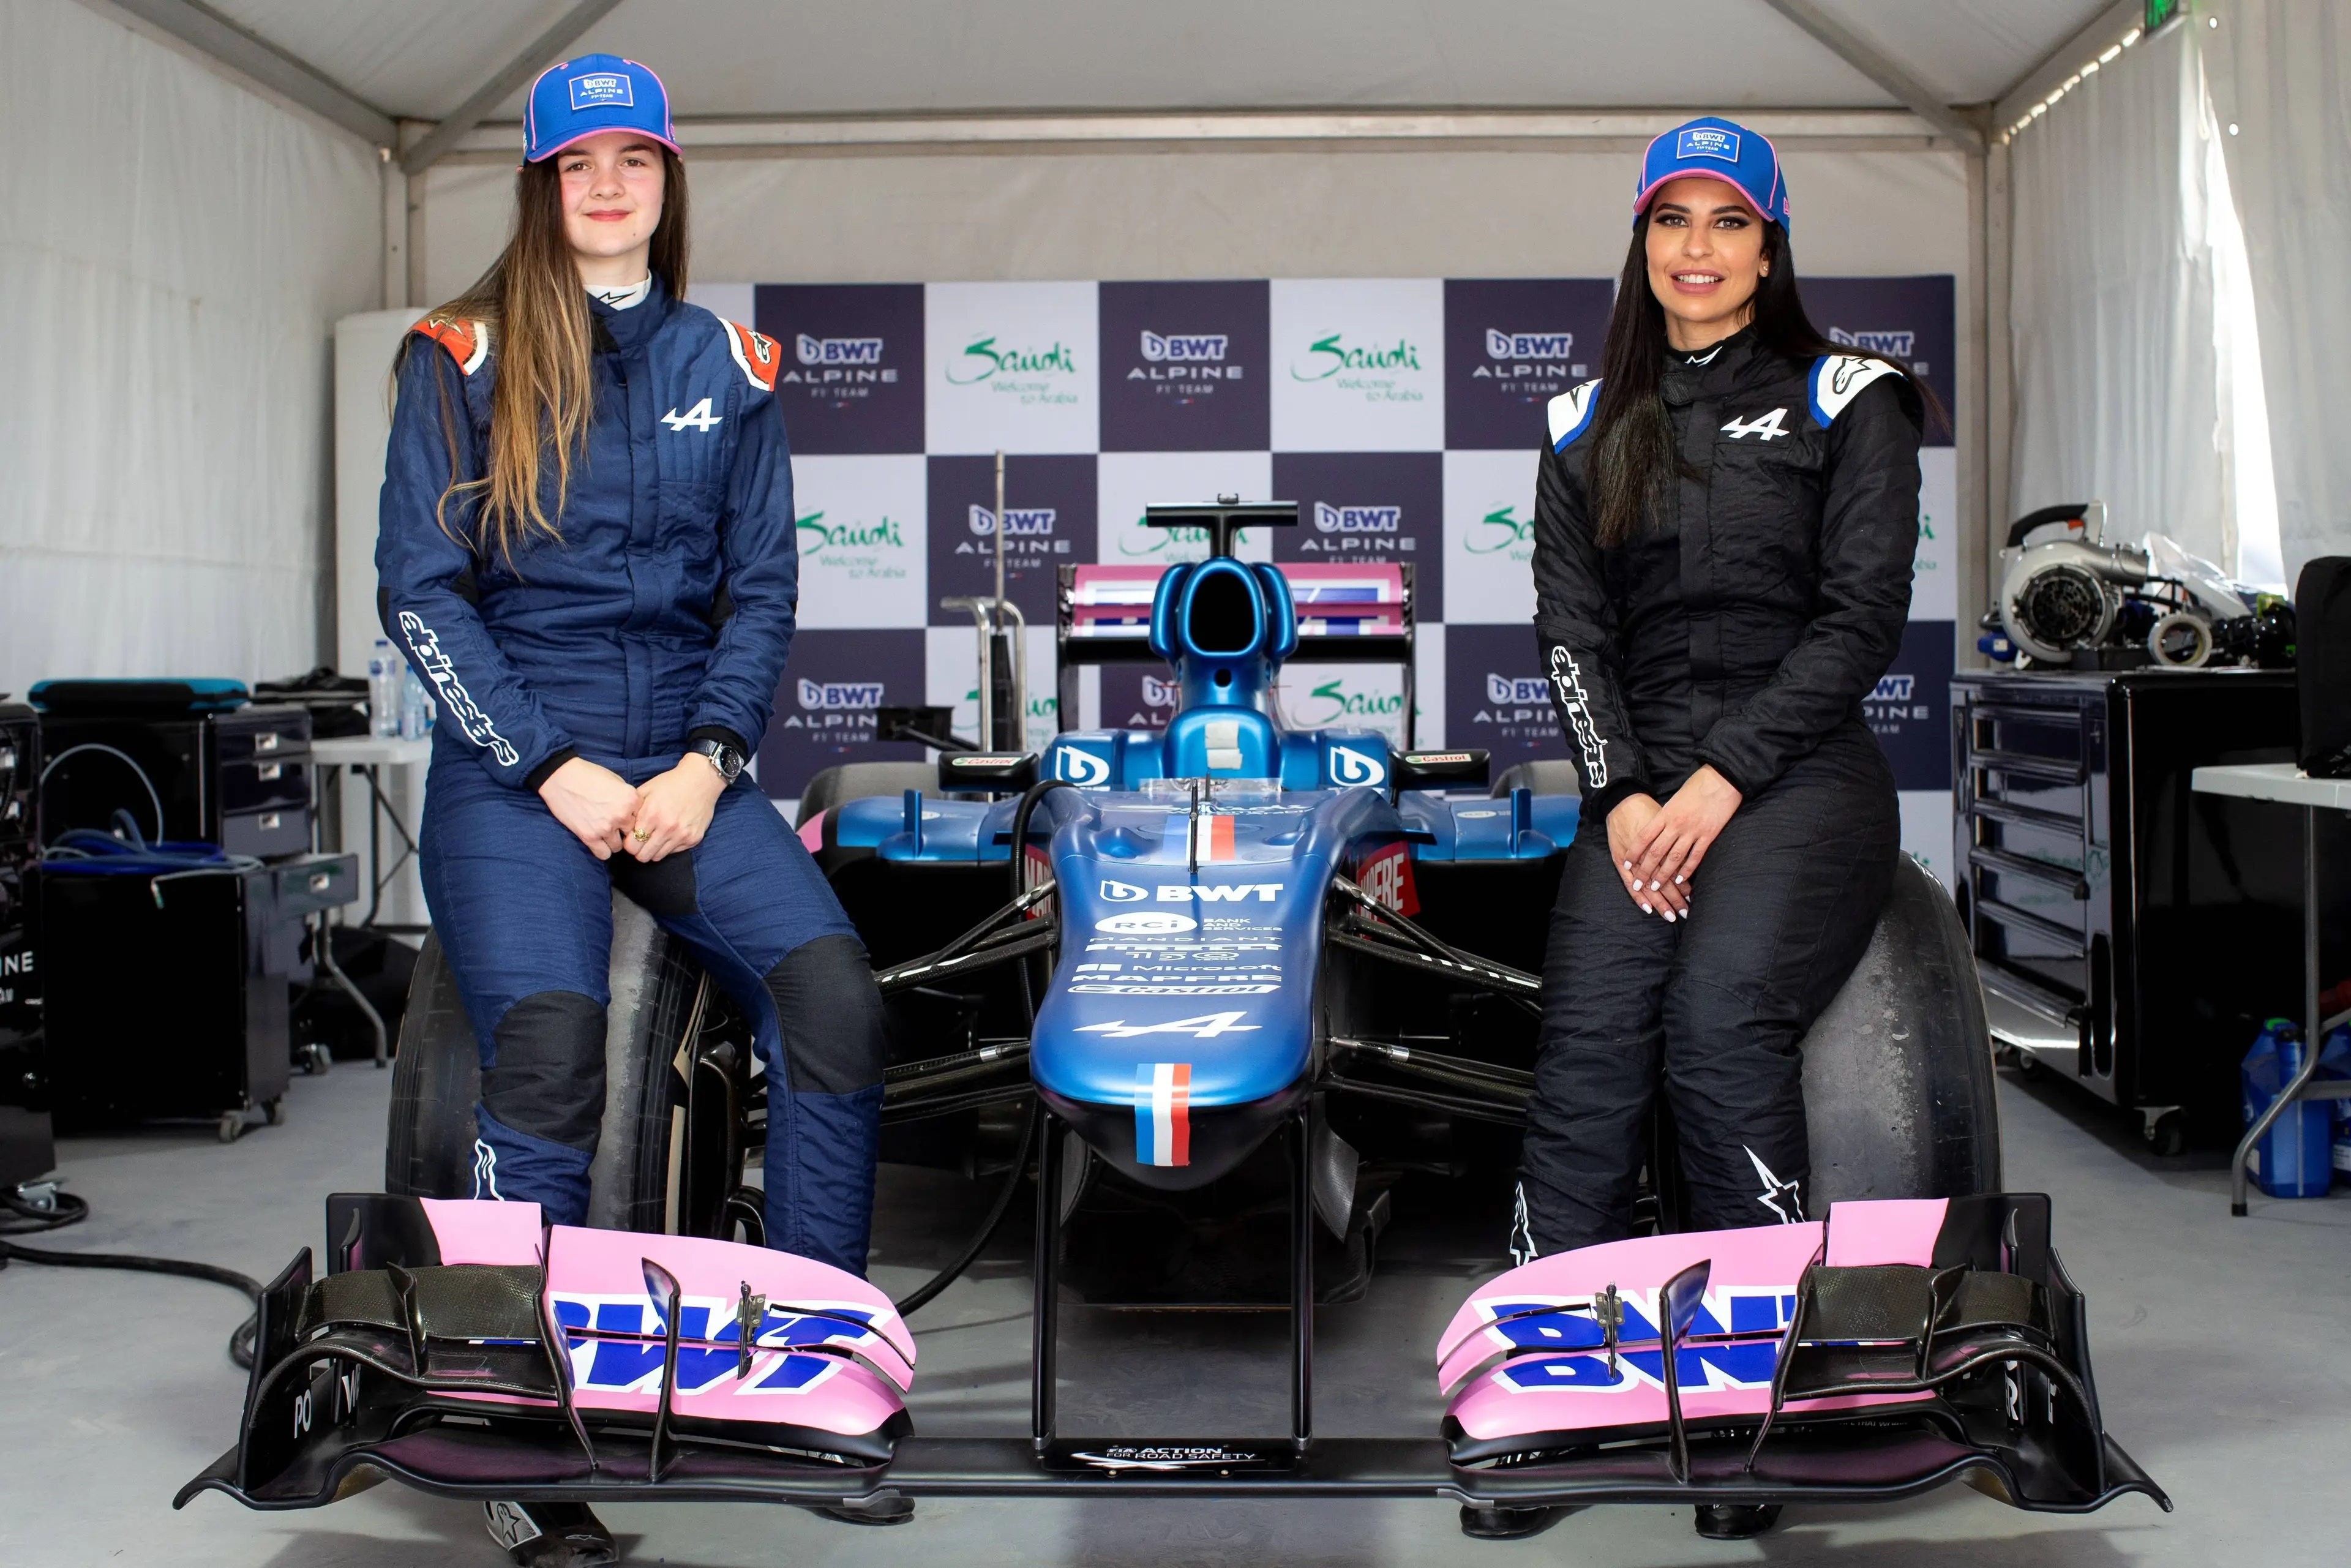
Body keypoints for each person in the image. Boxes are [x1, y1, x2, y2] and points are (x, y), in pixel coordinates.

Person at [378, 55, 890, 1564]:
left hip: (681, 762)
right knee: (545, 1055)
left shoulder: (733, 363)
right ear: (540, 189)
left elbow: (764, 588)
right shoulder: (456, 355)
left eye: (637, 163)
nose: (609, 189)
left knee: (837, 1001)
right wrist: (551, 767)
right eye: (578, 165)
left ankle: (796, 1376)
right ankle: (510, 1431)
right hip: (512, 766)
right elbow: (422, 593)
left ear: (669, 183)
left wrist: (707, 761)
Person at [1504, 118, 1925, 1543]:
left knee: (1720, 1021)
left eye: (1727, 221)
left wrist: (1722, 775)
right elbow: (1571, 632)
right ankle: (1548, 1409)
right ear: (1640, 243)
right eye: (1671, 220)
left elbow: (1863, 618)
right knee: (1588, 1037)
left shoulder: (1851, 396)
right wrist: (1624, 788)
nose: (1697, 247)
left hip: (1799, 776)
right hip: (1642, 787)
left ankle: (1752, 1398)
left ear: (1771, 242)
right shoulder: (1580, 423)